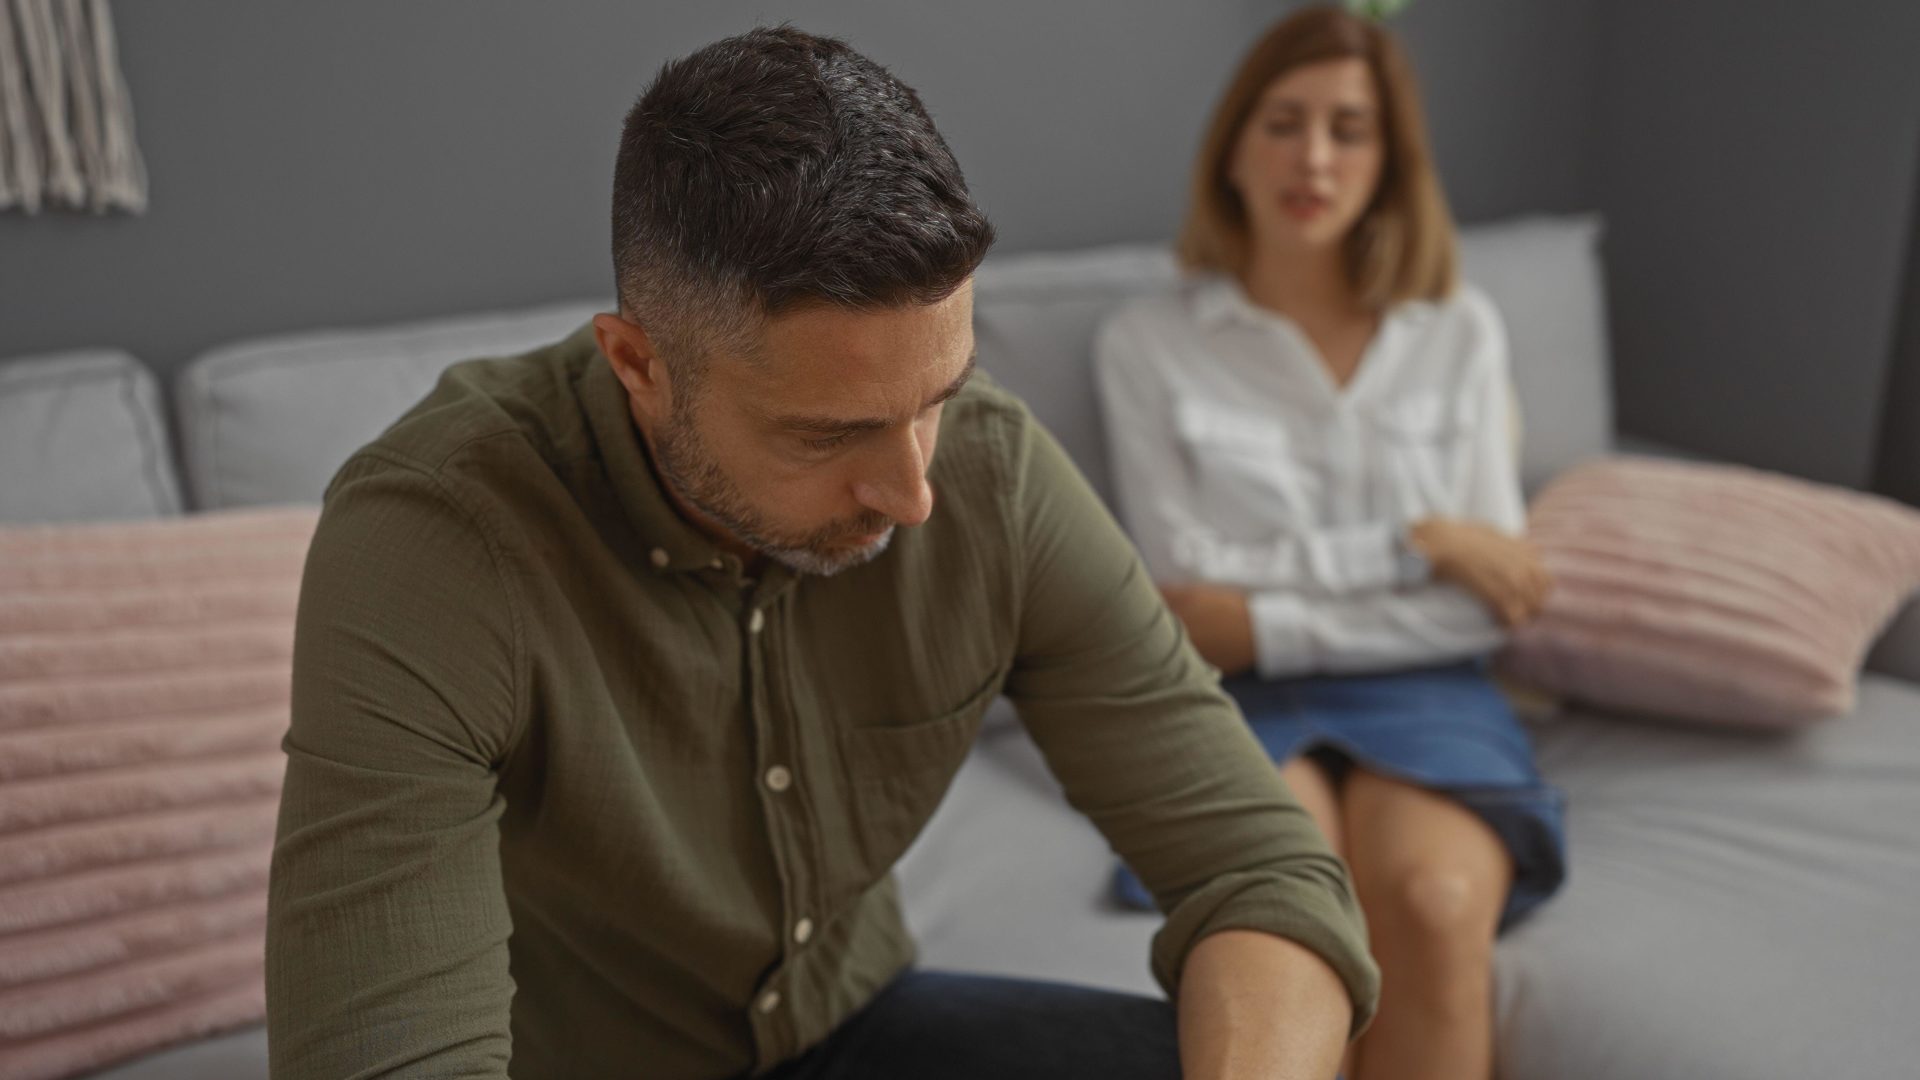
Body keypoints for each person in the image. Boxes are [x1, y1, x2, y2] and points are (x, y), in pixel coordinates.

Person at [265, 25, 1381, 1080]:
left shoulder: (991, 476)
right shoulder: (434, 539)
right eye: (828, 434)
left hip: (858, 1024)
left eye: (937, 397)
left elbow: (1263, 871)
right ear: (638, 365)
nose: (913, 495)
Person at [1092, 8, 1569, 1080]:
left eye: (1349, 129)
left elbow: (1482, 601)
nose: (1314, 157)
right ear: (1233, 147)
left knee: (1437, 906)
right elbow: (1188, 608)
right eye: (1285, 122)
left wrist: (1268, 618)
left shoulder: (1458, 330)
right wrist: (1418, 544)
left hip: (1430, 685)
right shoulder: (1149, 345)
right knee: (1288, 923)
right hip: (1236, 698)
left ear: (1390, 160)